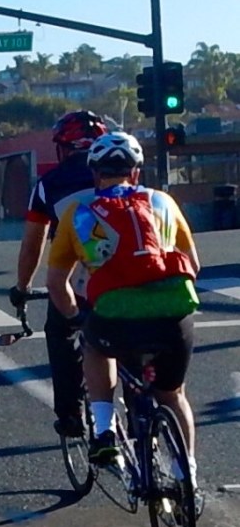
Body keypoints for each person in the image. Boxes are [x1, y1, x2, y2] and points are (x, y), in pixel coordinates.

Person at [45, 132, 201, 499]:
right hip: (173, 316)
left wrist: (73, 317)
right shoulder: (164, 201)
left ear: (96, 174)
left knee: (95, 346)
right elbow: (193, 265)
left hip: (114, 316)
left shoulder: (77, 213)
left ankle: (104, 432)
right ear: (135, 173)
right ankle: (187, 474)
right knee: (172, 393)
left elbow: (57, 283)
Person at [9, 110, 109, 439]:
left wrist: (22, 287)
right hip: (131, 269)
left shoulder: (49, 184)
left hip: (80, 274)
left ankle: (70, 415)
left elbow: (31, 246)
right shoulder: (124, 174)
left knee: (62, 330)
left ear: (63, 148)